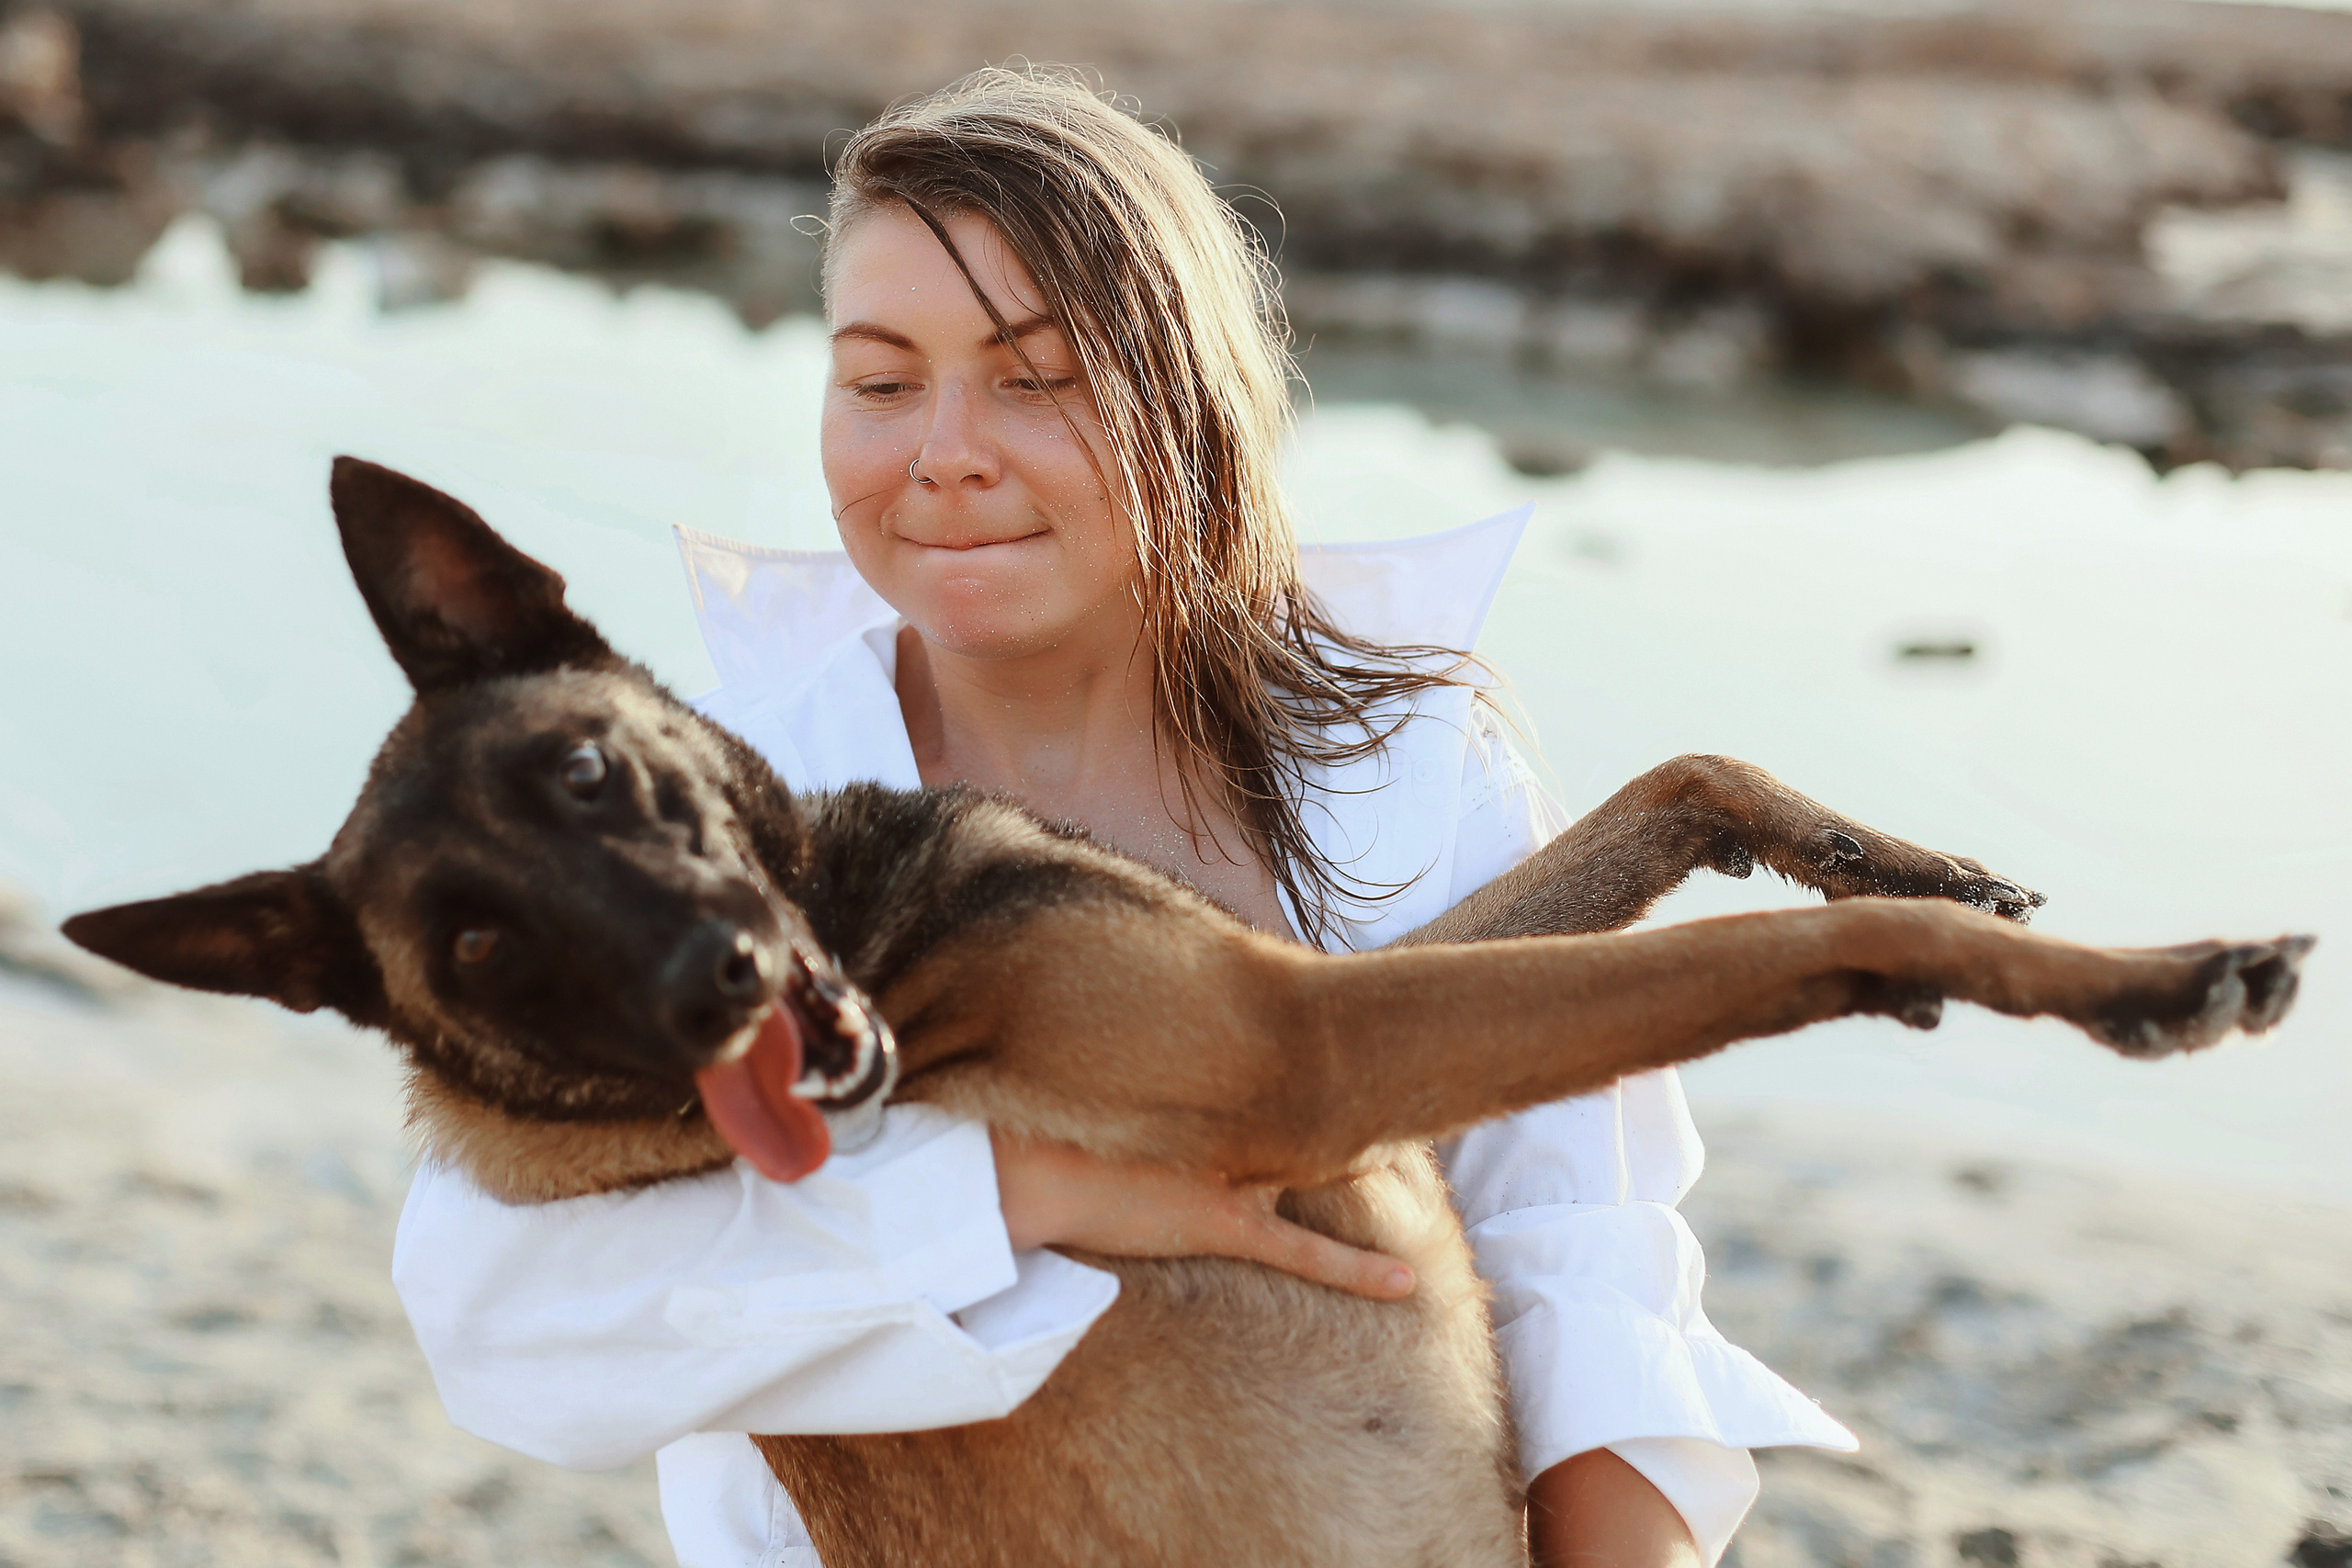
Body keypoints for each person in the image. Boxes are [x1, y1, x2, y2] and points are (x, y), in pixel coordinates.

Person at [391, 66, 1854, 1568]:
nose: (944, 449)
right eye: (882, 382)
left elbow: (1577, 1266)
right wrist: (1030, 1194)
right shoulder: (724, 805)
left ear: (1186, 394)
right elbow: (497, 1309)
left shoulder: (1406, 763)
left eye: (1035, 378)